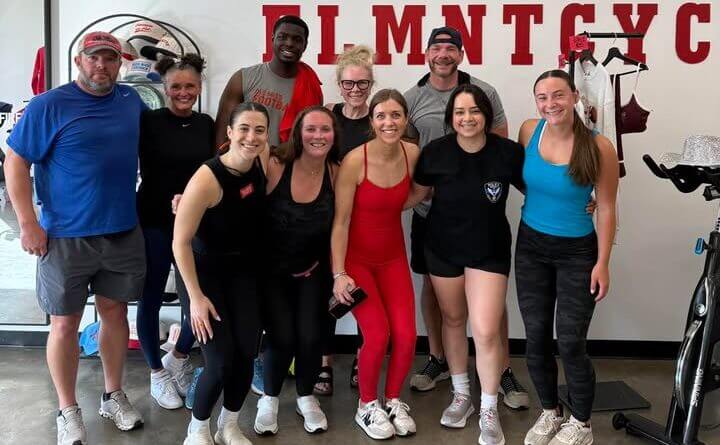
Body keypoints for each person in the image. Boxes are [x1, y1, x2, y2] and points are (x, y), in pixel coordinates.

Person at [4, 32, 146, 444]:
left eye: (110, 58)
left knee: (115, 314)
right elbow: (15, 161)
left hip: (121, 230)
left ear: (120, 63)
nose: (101, 65)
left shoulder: (130, 101)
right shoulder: (49, 105)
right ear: (79, 61)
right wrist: (28, 223)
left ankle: (113, 395)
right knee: (64, 324)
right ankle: (67, 410)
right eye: (93, 57)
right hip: (65, 237)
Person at [404, 26, 529, 411]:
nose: (443, 54)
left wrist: (578, 200)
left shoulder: (485, 93)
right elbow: (405, 159)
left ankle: (501, 371)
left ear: (460, 54)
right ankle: (440, 362)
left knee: (488, 310)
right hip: (433, 219)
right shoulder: (412, 98)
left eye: (450, 48)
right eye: (436, 47)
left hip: (483, 224)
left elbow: (507, 157)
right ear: (427, 53)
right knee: (441, 301)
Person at [214, 14, 323, 394]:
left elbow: (310, 140)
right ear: (272, 38)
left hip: (283, 192)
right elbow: (222, 136)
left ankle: (267, 358)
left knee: (269, 277)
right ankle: (223, 360)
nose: (289, 44)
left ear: (305, 44)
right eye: (283, 37)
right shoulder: (245, 79)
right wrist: (225, 185)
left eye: (297, 39)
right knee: (240, 274)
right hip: (245, 185)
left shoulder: (311, 85)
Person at [517, 69, 618, 445]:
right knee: (536, 337)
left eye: (558, 95)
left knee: (572, 342)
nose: (550, 104)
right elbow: (528, 180)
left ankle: (581, 423)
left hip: (577, 253)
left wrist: (603, 263)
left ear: (575, 95)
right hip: (530, 247)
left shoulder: (599, 147)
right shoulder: (529, 131)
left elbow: (606, 207)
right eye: (542, 97)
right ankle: (550, 411)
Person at [173, 102, 269, 445]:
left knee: (246, 353)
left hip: (243, 272)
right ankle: (198, 429)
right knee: (219, 360)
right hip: (203, 274)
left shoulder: (260, 159)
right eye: (243, 128)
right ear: (229, 132)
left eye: (259, 130)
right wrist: (195, 299)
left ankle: (228, 425)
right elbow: (180, 243)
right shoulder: (207, 178)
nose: (251, 137)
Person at [331, 89, 420, 440]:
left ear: (406, 119)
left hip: (393, 258)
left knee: (407, 336)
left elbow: (417, 192)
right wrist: (339, 274)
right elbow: (340, 222)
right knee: (378, 334)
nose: (389, 122)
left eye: (396, 115)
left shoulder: (412, 153)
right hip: (357, 262)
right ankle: (366, 405)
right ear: (372, 121)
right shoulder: (355, 161)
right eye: (381, 116)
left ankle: (393, 400)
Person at [254, 106, 339, 435]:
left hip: (313, 271)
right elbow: (230, 178)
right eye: (311, 129)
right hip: (272, 272)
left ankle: (306, 397)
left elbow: (344, 222)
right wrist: (190, 198)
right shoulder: (275, 164)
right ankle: (269, 399)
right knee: (282, 337)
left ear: (334, 135)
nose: (318, 136)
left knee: (311, 336)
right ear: (298, 133)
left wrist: (341, 272)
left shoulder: (335, 171)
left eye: (325, 129)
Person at [136, 54, 213, 410]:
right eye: (176, 87)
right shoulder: (148, 121)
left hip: (195, 221)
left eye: (190, 86)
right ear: (165, 88)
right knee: (151, 295)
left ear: (199, 87)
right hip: (154, 219)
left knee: (198, 295)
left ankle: (179, 357)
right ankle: (156, 372)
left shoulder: (206, 124)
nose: (184, 93)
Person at [316, 44, 375, 395]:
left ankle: (360, 357)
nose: (356, 90)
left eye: (363, 83)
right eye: (349, 84)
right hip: (327, 216)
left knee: (365, 291)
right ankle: (324, 361)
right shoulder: (327, 116)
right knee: (328, 287)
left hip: (365, 218)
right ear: (339, 85)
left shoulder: (378, 121)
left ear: (371, 84)